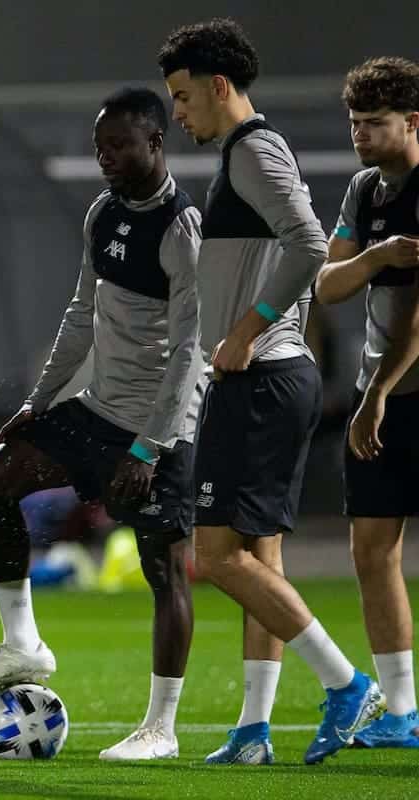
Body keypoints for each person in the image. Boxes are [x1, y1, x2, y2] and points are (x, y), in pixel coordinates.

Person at [0, 88, 203, 761]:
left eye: (119, 144)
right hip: (94, 411)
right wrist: (39, 400)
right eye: (99, 146)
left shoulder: (182, 230)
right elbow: (79, 314)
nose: (105, 158)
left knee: (164, 573)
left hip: (158, 429)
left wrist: (150, 446)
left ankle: (161, 728)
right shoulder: (101, 213)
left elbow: (190, 354)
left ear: (156, 142)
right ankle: (22, 643)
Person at [158, 18, 383, 765]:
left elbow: (312, 245)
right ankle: (254, 731)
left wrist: (248, 329)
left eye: (184, 98)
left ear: (220, 87)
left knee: (214, 557)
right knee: (258, 559)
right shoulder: (243, 153)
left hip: (258, 378)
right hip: (261, 378)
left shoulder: (253, 149)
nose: (179, 114)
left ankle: (346, 683)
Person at [315, 56, 419, 748]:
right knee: (372, 549)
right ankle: (404, 712)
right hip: (380, 396)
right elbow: (327, 285)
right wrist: (375, 260)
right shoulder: (363, 191)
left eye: (375, 124)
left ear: (412, 122)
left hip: (398, 393)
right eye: (355, 123)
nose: (361, 135)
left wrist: (377, 392)